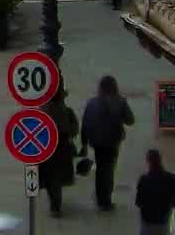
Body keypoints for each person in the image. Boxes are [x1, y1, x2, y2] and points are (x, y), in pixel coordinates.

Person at [83, 73, 137, 212]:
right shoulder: (120, 101)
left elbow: (85, 124)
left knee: (101, 167)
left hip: (96, 141)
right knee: (108, 169)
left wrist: (84, 144)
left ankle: (100, 197)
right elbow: (130, 120)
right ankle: (105, 200)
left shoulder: (92, 102)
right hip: (112, 141)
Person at [39, 88, 81, 216]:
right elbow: (74, 130)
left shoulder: (42, 112)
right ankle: (56, 205)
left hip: (46, 149)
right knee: (57, 179)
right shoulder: (67, 111)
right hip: (62, 149)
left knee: (50, 178)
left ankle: (54, 204)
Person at [141, 149, 175, 234]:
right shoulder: (171, 178)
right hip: (163, 220)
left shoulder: (144, 180)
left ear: (148, 161)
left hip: (148, 221)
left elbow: (139, 202)